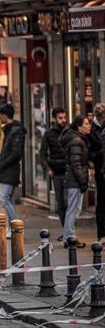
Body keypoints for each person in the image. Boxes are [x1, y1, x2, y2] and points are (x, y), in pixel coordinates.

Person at [61, 117, 90, 248]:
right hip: (74, 181)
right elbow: (76, 163)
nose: (88, 126)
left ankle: (69, 236)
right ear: (79, 127)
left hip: (74, 180)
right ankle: (69, 238)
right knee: (73, 210)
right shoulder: (76, 141)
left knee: (74, 209)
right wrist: (82, 180)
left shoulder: (77, 139)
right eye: (86, 124)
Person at [39, 107, 69, 231]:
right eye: (60, 118)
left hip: (69, 171)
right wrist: (48, 169)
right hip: (56, 173)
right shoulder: (49, 134)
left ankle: (69, 231)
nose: (63, 120)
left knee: (70, 204)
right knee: (61, 204)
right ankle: (66, 231)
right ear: (54, 119)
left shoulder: (69, 131)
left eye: (64, 117)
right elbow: (42, 153)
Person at [0, 104, 26, 223]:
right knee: (9, 199)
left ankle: (15, 225)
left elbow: (16, 153)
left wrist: (3, 164)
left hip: (9, 170)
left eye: (0, 115)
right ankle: (11, 227)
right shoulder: (10, 130)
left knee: (3, 199)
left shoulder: (15, 131)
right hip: (7, 169)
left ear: (4, 115)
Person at [90, 105, 105, 240]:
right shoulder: (91, 129)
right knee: (101, 203)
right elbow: (90, 153)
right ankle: (101, 234)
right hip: (100, 171)